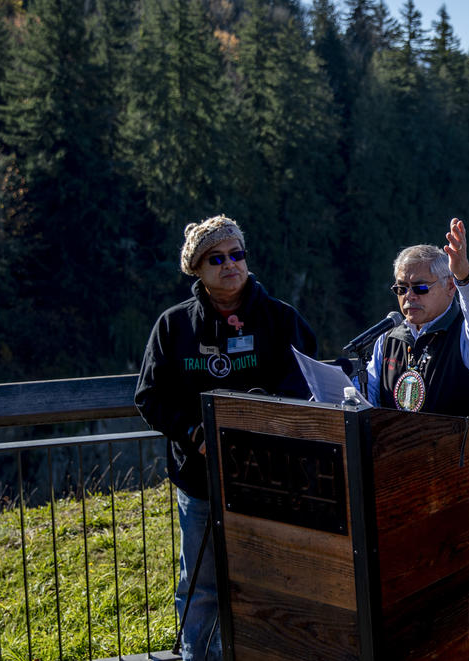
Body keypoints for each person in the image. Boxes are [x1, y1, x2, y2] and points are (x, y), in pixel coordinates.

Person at [135, 215, 317, 661]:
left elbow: (308, 383)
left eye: (237, 254)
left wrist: (265, 427)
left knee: (270, 579)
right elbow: (150, 396)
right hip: (200, 481)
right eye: (216, 258)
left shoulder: (280, 319)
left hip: (270, 480)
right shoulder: (173, 326)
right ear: (197, 268)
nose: (230, 264)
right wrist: (193, 432)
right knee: (201, 587)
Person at [364, 218, 469, 545]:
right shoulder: (386, 342)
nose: (409, 296)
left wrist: (466, 276)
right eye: (401, 288)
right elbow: (369, 405)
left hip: (466, 486)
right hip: (403, 483)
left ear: (448, 286)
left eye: (420, 287)